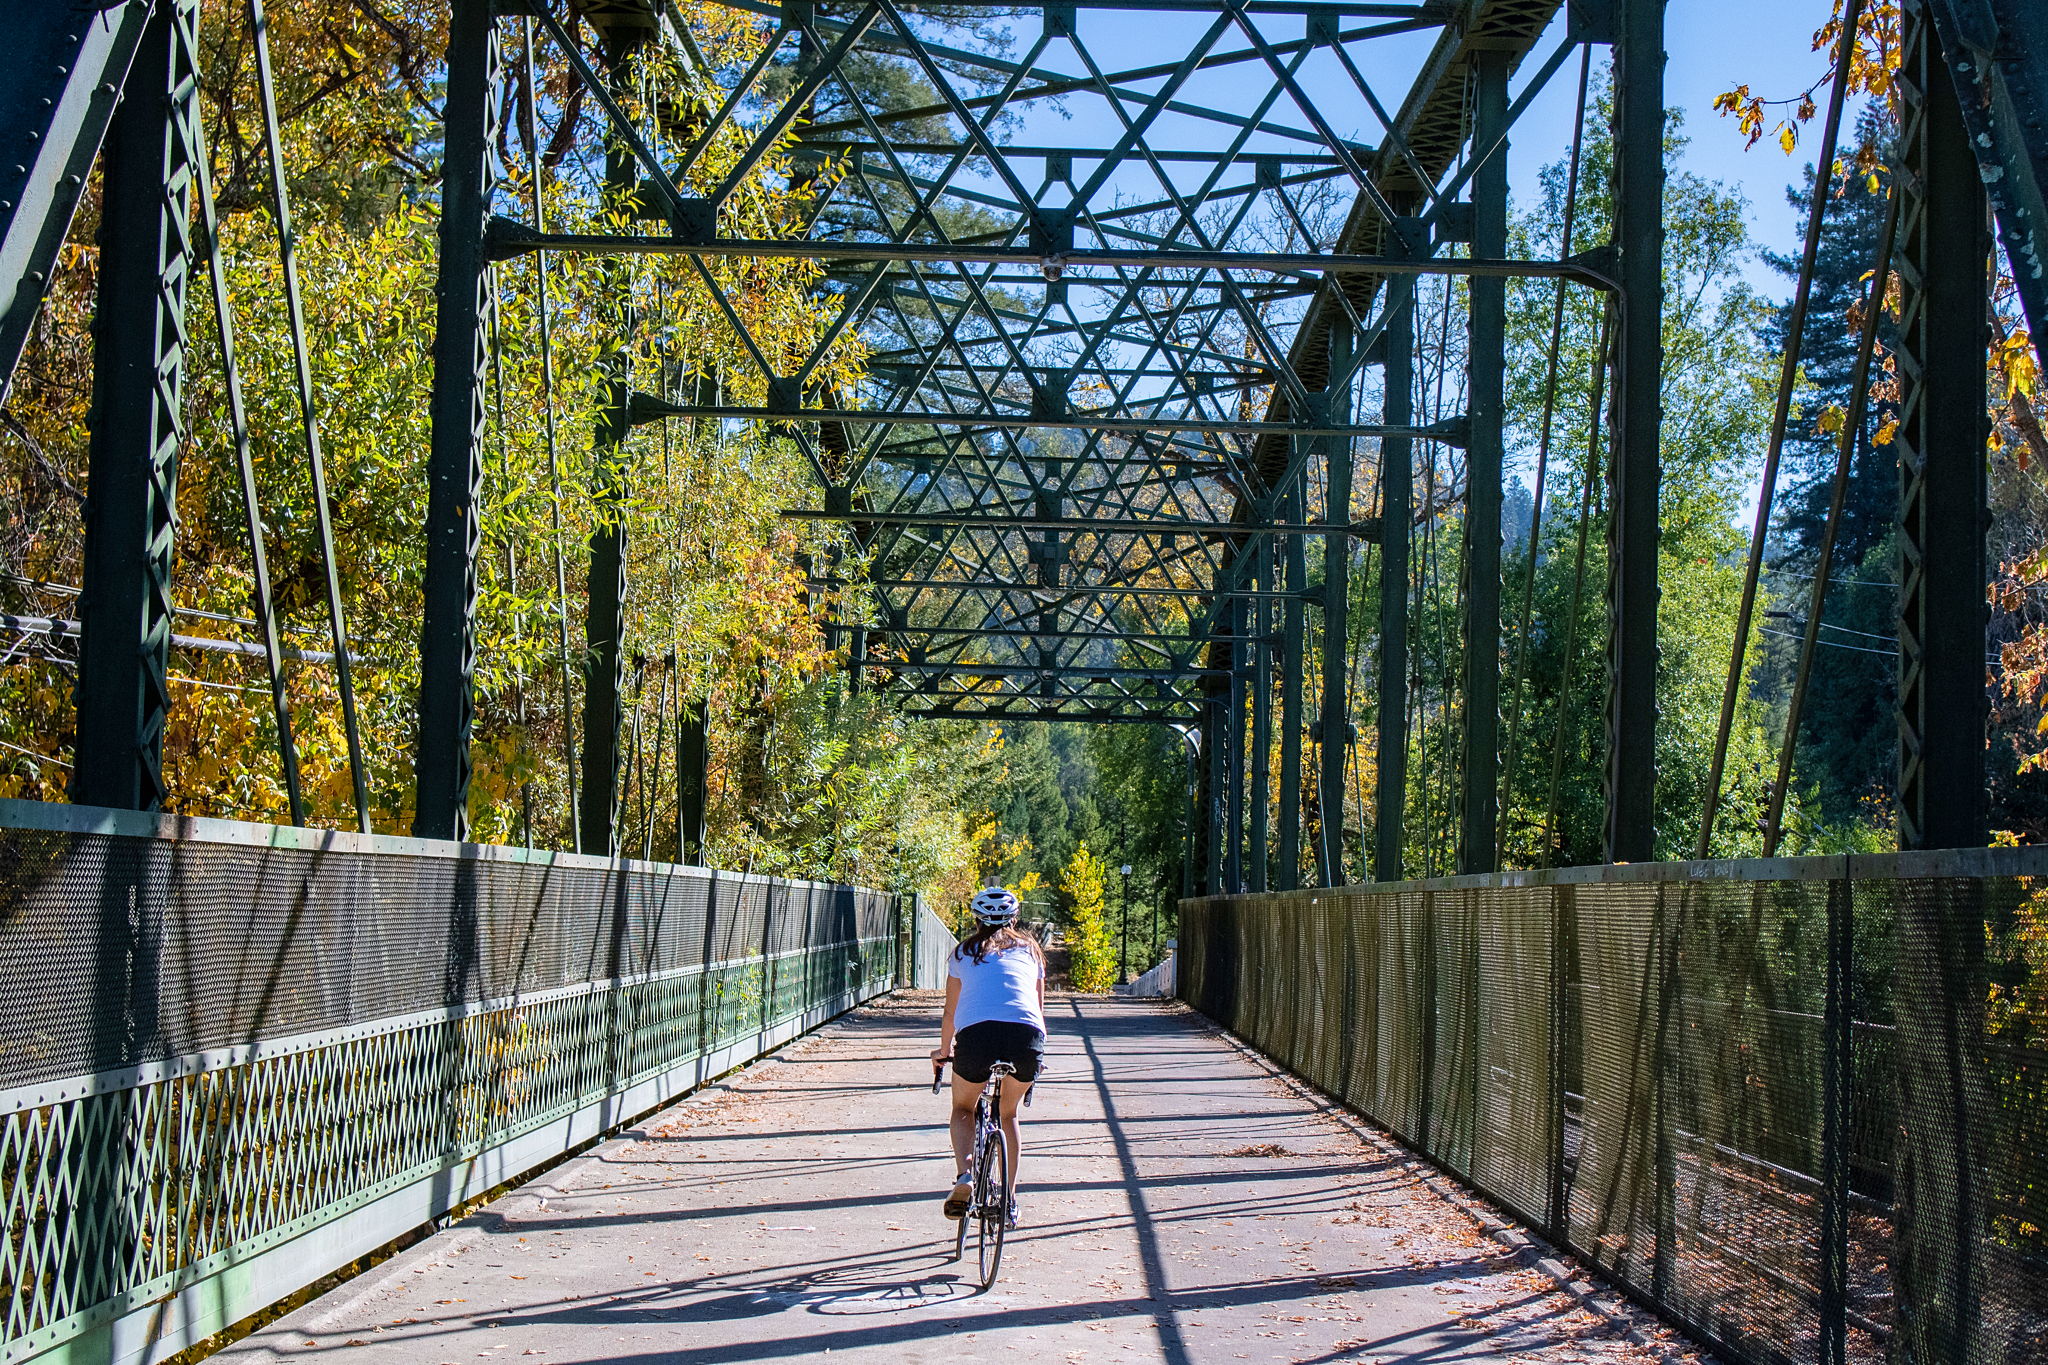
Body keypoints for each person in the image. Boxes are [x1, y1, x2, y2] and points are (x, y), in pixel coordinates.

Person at [931, 885, 1046, 1225]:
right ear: (1015, 918)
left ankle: (965, 1175)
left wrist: (944, 1051)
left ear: (976, 919)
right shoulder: (1031, 951)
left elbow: (950, 1012)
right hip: (1026, 1038)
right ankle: (1009, 1199)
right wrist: (1037, 1056)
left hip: (977, 1038)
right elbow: (1038, 1010)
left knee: (963, 1107)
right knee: (1008, 1114)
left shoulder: (963, 952)